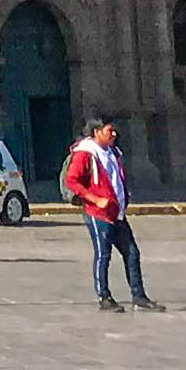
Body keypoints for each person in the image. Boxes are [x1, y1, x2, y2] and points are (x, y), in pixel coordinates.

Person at [60, 114, 154, 314]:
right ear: (96, 132)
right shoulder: (84, 154)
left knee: (132, 253)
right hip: (98, 213)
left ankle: (139, 297)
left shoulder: (113, 152)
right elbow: (72, 181)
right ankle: (104, 297)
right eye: (108, 130)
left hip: (117, 213)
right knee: (103, 255)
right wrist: (95, 199)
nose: (113, 134)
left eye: (113, 130)